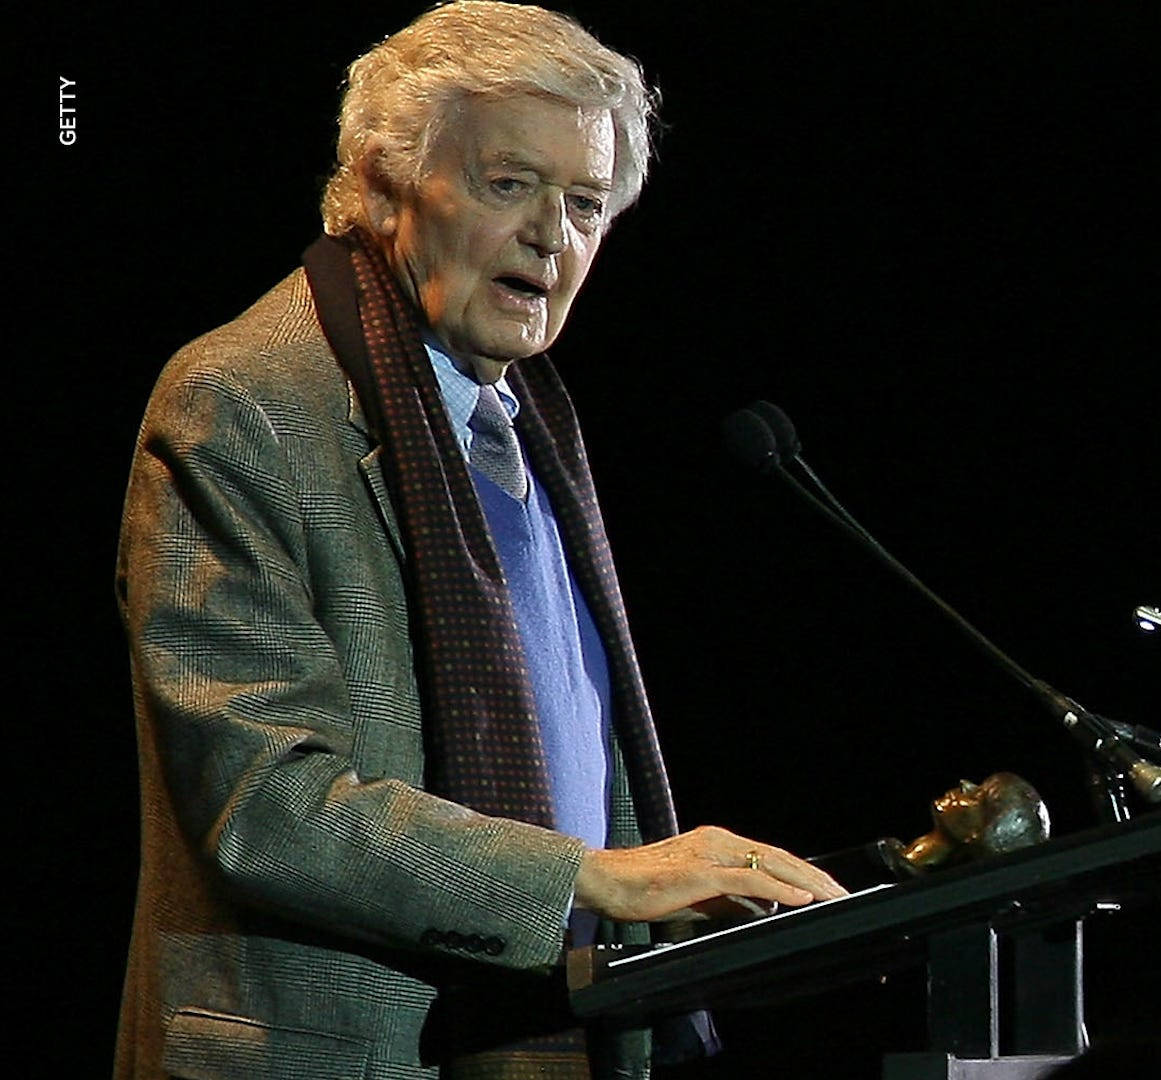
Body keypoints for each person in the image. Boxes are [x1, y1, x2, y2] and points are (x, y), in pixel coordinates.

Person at [113, 4, 843, 1077]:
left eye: (586, 202)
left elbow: (580, 765)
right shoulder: (243, 401)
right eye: (511, 186)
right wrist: (595, 880)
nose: (554, 235)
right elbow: (262, 804)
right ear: (377, 183)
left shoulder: (528, 419)